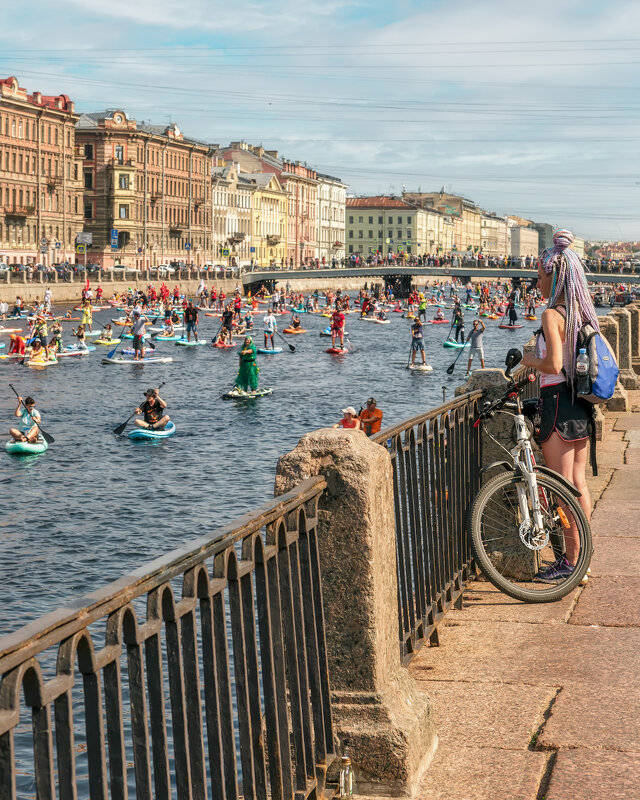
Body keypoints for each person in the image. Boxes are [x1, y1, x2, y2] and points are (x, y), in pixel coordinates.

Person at [521, 229, 599, 582]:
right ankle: (581, 560)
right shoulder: (580, 311)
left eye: (539, 276)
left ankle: (570, 563)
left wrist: (527, 361)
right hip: (579, 406)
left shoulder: (552, 314)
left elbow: (552, 365)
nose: (537, 282)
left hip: (556, 407)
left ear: (554, 276)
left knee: (562, 489)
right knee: (578, 484)